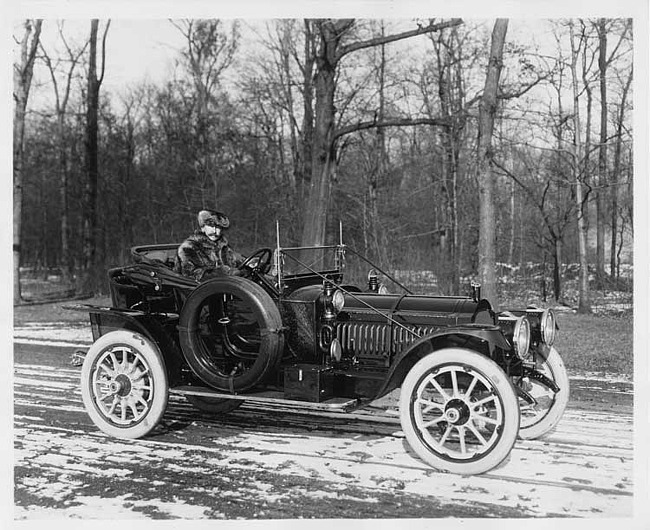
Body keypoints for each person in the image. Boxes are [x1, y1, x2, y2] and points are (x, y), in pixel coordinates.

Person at [175, 209, 245, 281]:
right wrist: (218, 273)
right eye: (211, 226)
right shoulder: (189, 248)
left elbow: (235, 262)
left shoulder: (224, 247)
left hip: (227, 287)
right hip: (199, 290)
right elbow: (189, 276)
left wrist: (247, 265)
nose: (215, 231)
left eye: (218, 227)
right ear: (202, 227)